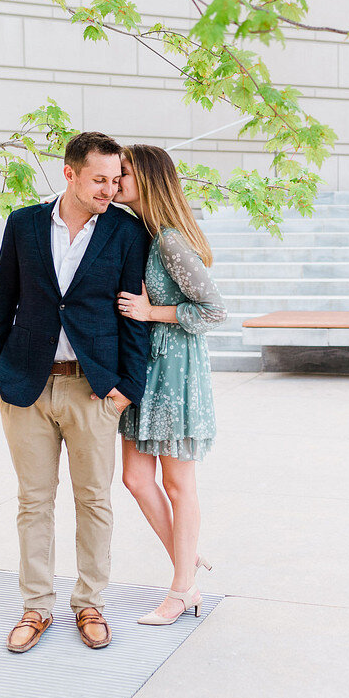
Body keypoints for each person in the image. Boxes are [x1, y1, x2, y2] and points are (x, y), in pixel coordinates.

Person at [0, 132, 151, 653]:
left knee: (94, 500)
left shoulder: (126, 231)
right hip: (25, 386)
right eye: (99, 179)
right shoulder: (24, 224)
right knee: (33, 501)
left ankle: (90, 603)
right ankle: (36, 607)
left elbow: (133, 316)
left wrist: (127, 388)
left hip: (93, 389)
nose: (110, 187)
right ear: (69, 174)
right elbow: (1, 299)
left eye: (115, 178)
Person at [112, 144, 227, 625]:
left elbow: (214, 310)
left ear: (148, 180)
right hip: (147, 368)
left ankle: (182, 589)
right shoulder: (142, 233)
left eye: (122, 174)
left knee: (179, 484)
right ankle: (188, 562)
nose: (114, 182)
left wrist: (151, 311)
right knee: (136, 478)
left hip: (176, 372)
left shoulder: (169, 241)